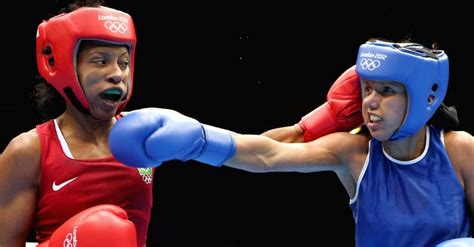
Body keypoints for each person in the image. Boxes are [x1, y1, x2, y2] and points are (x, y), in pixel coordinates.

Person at [109, 39, 473, 246]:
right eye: (367, 89)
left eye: (387, 90)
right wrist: (199, 140)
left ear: (425, 96)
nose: (370, 102)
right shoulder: (353, 153)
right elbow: (267, 154)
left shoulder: (460, 151)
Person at [0, 2, 153, 247]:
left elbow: (232, 152)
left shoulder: (147, 135)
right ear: (63, 66)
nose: (117, 74)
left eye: (124, 63)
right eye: (100, 61)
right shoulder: (29, 152)